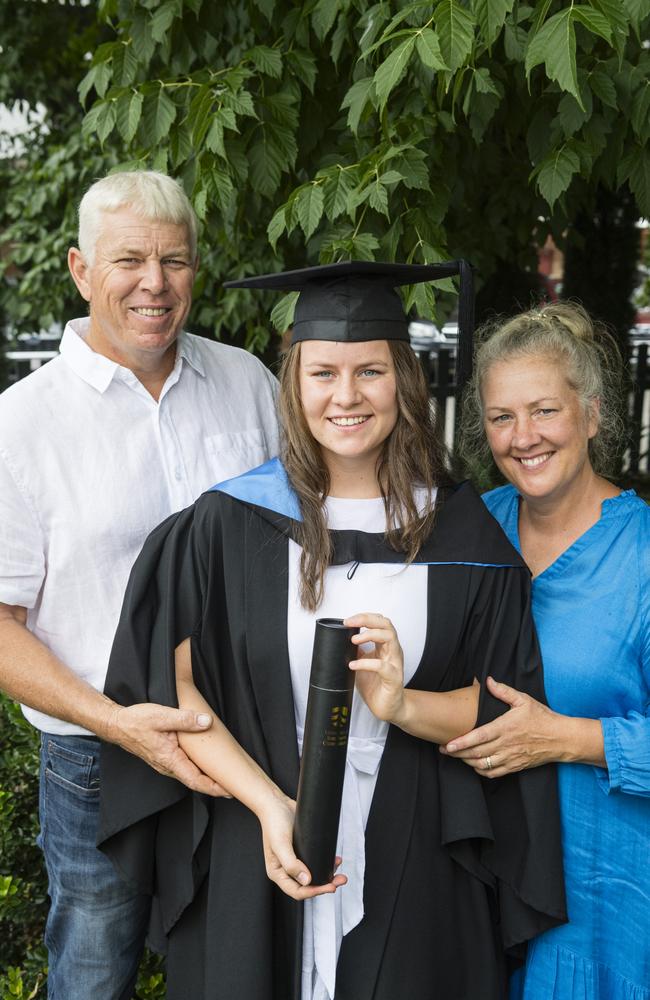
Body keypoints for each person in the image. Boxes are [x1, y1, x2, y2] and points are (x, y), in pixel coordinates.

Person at [98, 261, 566, 1000]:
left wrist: (401, 703)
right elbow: (175, 687)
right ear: (295, 383)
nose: (346, 396)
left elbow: (500, 709)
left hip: (417, 850)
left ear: (403, 380)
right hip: (262, 843)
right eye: (323, 373)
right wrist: (267, 806)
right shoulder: (228, 524)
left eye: (370, 371)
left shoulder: (464, 535)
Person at [0, 169, 279, 999]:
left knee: (238, 968)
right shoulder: (22, 423)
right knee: (93, 977)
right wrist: (120, 726)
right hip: (95, 759)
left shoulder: (249, 385)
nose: (154, 283)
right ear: (83, 271)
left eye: (175, 261)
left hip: (246, 744)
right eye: (129, 260)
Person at [448, 301, 650, 999]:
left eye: (544, 411)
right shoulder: (474, 531)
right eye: (502, 417)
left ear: (592, 414)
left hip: (601, 903)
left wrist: (563, 738)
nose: (523, 437)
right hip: (479, 891)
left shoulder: (643, 555)